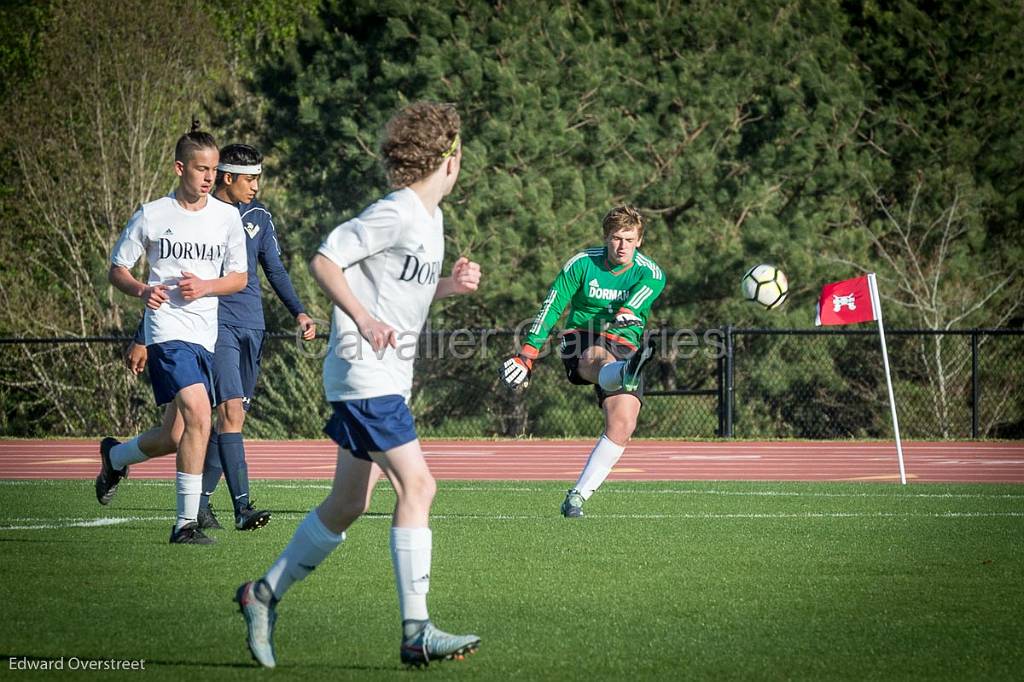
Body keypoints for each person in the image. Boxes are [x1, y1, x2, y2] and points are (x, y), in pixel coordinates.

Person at [235, 102, 481, 668]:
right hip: (364, 370)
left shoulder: (433, 221)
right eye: (460, 152)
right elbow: (326, 260)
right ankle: (416, 630)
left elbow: (404, 294)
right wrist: (363, 320)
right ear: (449, 158)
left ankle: (262, 594)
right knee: (418, 488)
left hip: (383, 376)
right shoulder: (397, 211)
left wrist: (450, 286)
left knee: (349, 502)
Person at [125, 143, 317, 532]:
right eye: (250, 179)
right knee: (224, 414)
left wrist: (298, 311)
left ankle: (127, 464)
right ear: (227, 177)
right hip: (213, 328)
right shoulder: (199, 216)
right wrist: (142, 334)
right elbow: (167, 281)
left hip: (252, 327)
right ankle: (241, 508)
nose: (256, 187)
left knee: (179, 432)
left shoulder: (257, 218)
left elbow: (274, 271)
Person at [97, 121, 248, 544]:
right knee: (201, 415)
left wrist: (206, 286)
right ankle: (185, 524)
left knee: (175, 434)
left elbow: (238, 277)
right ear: (179, 168)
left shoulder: (226, 218)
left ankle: (115, 456)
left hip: (206, 334)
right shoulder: (153, 214)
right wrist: (142, 289)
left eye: (214, 170)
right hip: (167, 331)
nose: (209, 178)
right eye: (201, 169)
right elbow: (117, 270)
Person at [499, 206, 665, 518]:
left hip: (625, 340)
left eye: (629, 239)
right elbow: (552, 306)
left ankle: (577, 496)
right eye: (616, 238)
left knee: (623, 424)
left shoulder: (650, 273)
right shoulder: (582, 263)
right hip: (583, 336)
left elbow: (639, 298)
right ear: (606, 238)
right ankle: (624, 371)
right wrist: (527, 355)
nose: (622, 246)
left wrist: (627, 311)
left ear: (639, 241)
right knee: (597, 357)